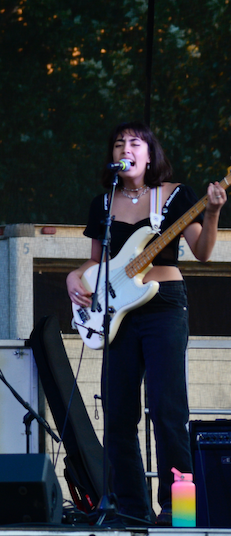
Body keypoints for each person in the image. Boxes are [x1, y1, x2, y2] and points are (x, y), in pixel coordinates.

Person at [66, 121, 226, 525]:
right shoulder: (103, 204)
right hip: (116, 312)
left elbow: (203, 252)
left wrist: (213, 211)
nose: (126, 147)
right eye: (119, 142)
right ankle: (131, 510)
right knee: (118, 412)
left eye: (135, 142)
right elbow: (96, 261)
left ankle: (181, 512)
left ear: (150, 154)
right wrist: (72, 277)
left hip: (164, 305)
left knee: (167, 408)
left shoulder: (175, 196)